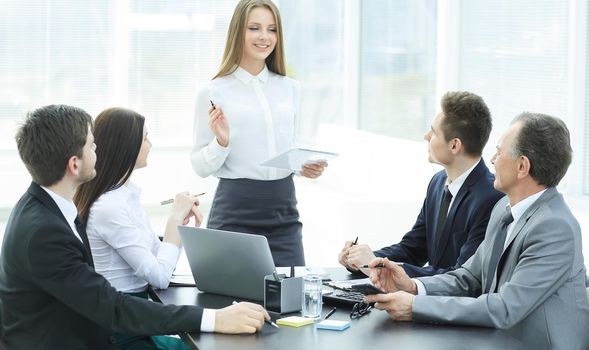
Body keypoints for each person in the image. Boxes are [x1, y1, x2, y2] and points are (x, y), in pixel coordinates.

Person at [0, 105, 270, 350]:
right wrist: (215, 318)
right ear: (74, 164)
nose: (99, 151)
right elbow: (112, 308)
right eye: (93, 146)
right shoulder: (44, 233)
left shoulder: (45, 207)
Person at [365, 113, 589, 349]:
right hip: (496, 339)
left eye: (499, 152)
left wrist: (415, 307)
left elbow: (504, 308)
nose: (492, 159)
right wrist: (413, 286)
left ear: (522, 166)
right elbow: (470, 277)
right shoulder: (503, 207)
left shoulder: (555, 227)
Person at [191, 0, 327, 267]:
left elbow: (285, 146)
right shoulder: (213, 92)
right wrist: (222, 141)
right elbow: (199, 165)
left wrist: (302, 166)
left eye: (272, 29)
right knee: (232, 302)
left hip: (283, 211)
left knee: (288, 301)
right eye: (255, 28)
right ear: (238, 32)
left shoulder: (290, 88)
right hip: (235, 211)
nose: (265, 37)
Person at [73, 107, 203, 349]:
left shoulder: (125, 197)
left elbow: (158, 259)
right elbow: (160, 277)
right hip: (121, 330)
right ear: (127, 145)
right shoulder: (109, 207)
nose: (150, 144)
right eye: (145, 137)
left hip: (136, 319)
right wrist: (175, 219)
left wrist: (177, 224)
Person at [339, 91, 504, 277]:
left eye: (433, 132)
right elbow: (414, 249)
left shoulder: (492, 197)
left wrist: (375, 266)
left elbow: (461, 277)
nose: (426, 136)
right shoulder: (438, 182)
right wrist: (362, 260)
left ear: (454, 145)